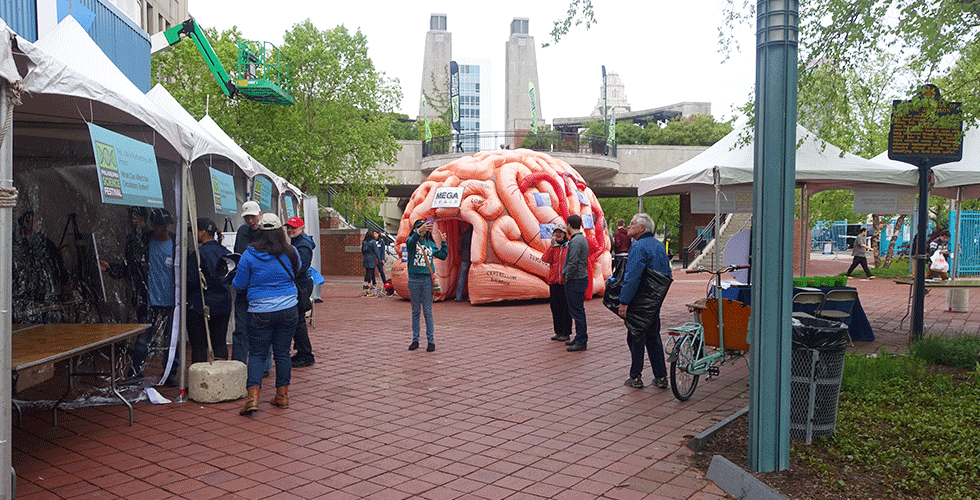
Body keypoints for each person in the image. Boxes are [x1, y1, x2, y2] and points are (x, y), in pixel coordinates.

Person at [232, 213, 300, 416]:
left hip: (260, 310)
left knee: (257, 354)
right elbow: (298, 272)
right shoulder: (291, 251)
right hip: (288, 308)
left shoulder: (249, 254)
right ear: (280, 231)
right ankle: (282, 395)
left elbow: (240, 284)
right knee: (282, 353)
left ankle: (252, 398)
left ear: (259, 232)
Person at [617, 213, 673, 389]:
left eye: (632, 224)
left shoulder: (639, 247)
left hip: (639, 300)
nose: (629, 226)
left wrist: (624, 301)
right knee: (653, 336)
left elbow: (632, 277)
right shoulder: (658, 246)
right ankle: (661, 376)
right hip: (654, 300)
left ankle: (636, 376)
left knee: (635, 337)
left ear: (642, 228)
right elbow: (666, 275)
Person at [132, 208, 179, 386]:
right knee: (143, 339)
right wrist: (112, 270)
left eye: (166, 225)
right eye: (160, 225)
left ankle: (170, 372)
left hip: (172, 301)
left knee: (171, 339)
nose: (164, 229)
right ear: (153, 225)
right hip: (148, 299)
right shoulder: (144, 242)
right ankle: (136, 370)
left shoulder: (176, 242)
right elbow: (133, 267)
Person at [186, 217, 232, 363]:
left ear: (203, 232)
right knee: (219, 343)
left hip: (200, 305)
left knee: (199, 346)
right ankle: (221, 380)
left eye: (195, 231)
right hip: (223, 304)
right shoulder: (225, 252)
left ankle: (200, 384)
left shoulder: (198, 255)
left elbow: (191, 281)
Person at [13, 210, 68, 324]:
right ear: (24, 222)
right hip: (25, 300)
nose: (38, 223)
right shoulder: (16, 245)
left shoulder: (46, 244)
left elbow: (57, 265)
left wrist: (64, 281)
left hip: (46, 298)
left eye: (38, 220)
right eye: (35, 220)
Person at [101, 206, 151, 323]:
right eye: (130, 217)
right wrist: (109, 268)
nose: (130, 220)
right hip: (135, 290)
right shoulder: (131, 239)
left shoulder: (150, 238)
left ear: (142, 218)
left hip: (149, 292)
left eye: (133, 217)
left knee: (145, 327)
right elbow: (129, 266)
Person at [406, 218, 448, 352]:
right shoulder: (411, 242)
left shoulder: (430, 243)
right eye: (419, 227)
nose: (422, 229)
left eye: (424, 227)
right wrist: (418, 232)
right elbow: (411, 241)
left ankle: (431, 341)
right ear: (414, 229)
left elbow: (442, 255)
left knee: (428, 312)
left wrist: (443, 242)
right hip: (414, 280)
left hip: (427, 281)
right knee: (415, 311)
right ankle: (415, 340)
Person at [232, 200, 263, 364]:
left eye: (252, 217)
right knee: (241, 329)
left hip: (260, 289)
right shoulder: (242, 231)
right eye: (247, 218)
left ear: (260, 214)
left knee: (261, 329)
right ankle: (238, 363)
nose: (250, 221)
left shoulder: (268, 231)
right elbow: (238, 255)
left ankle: (262, 363)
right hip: (244, 288)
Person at [285, 217, 316, 367]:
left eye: (294, 227)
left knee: (298, 321)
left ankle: (305, 354)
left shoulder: (302, 245)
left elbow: (300, 267)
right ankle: (302, 352)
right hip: (301, 283)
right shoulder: (299, 242)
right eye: (288, 227)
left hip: (301, 284)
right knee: (298, 320)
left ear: (302, 228)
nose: (290, 230)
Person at [563, 214, 590, 352]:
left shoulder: (575, 241)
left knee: (577, 311)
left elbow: (573, 262)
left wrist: (567, 276)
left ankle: (581, 340)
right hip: (580, 279)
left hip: (575, 280)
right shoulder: (581, 239)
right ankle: (579, 337)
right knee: (578, 310)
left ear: (569, 225)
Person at [541, 223, 572, 342]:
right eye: (556, 232)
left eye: (560, 232)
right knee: (555, 307)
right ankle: (558, 331)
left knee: (565, 308)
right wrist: (551, 246)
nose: (558, 234)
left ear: (565, 234)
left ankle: (566, 332)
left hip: (565, 282)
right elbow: (545, 259)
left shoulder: (568, 246)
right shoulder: (553, 247)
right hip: (554, 281)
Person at [455, 225, 472, 302]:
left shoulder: (465, 234)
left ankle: (458, 296)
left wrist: (460, 253)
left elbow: (461, 246)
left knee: (462, 276)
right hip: (473, 257)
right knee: (471, 278)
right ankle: (470, 297)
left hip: (464, 257)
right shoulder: (475, 235)